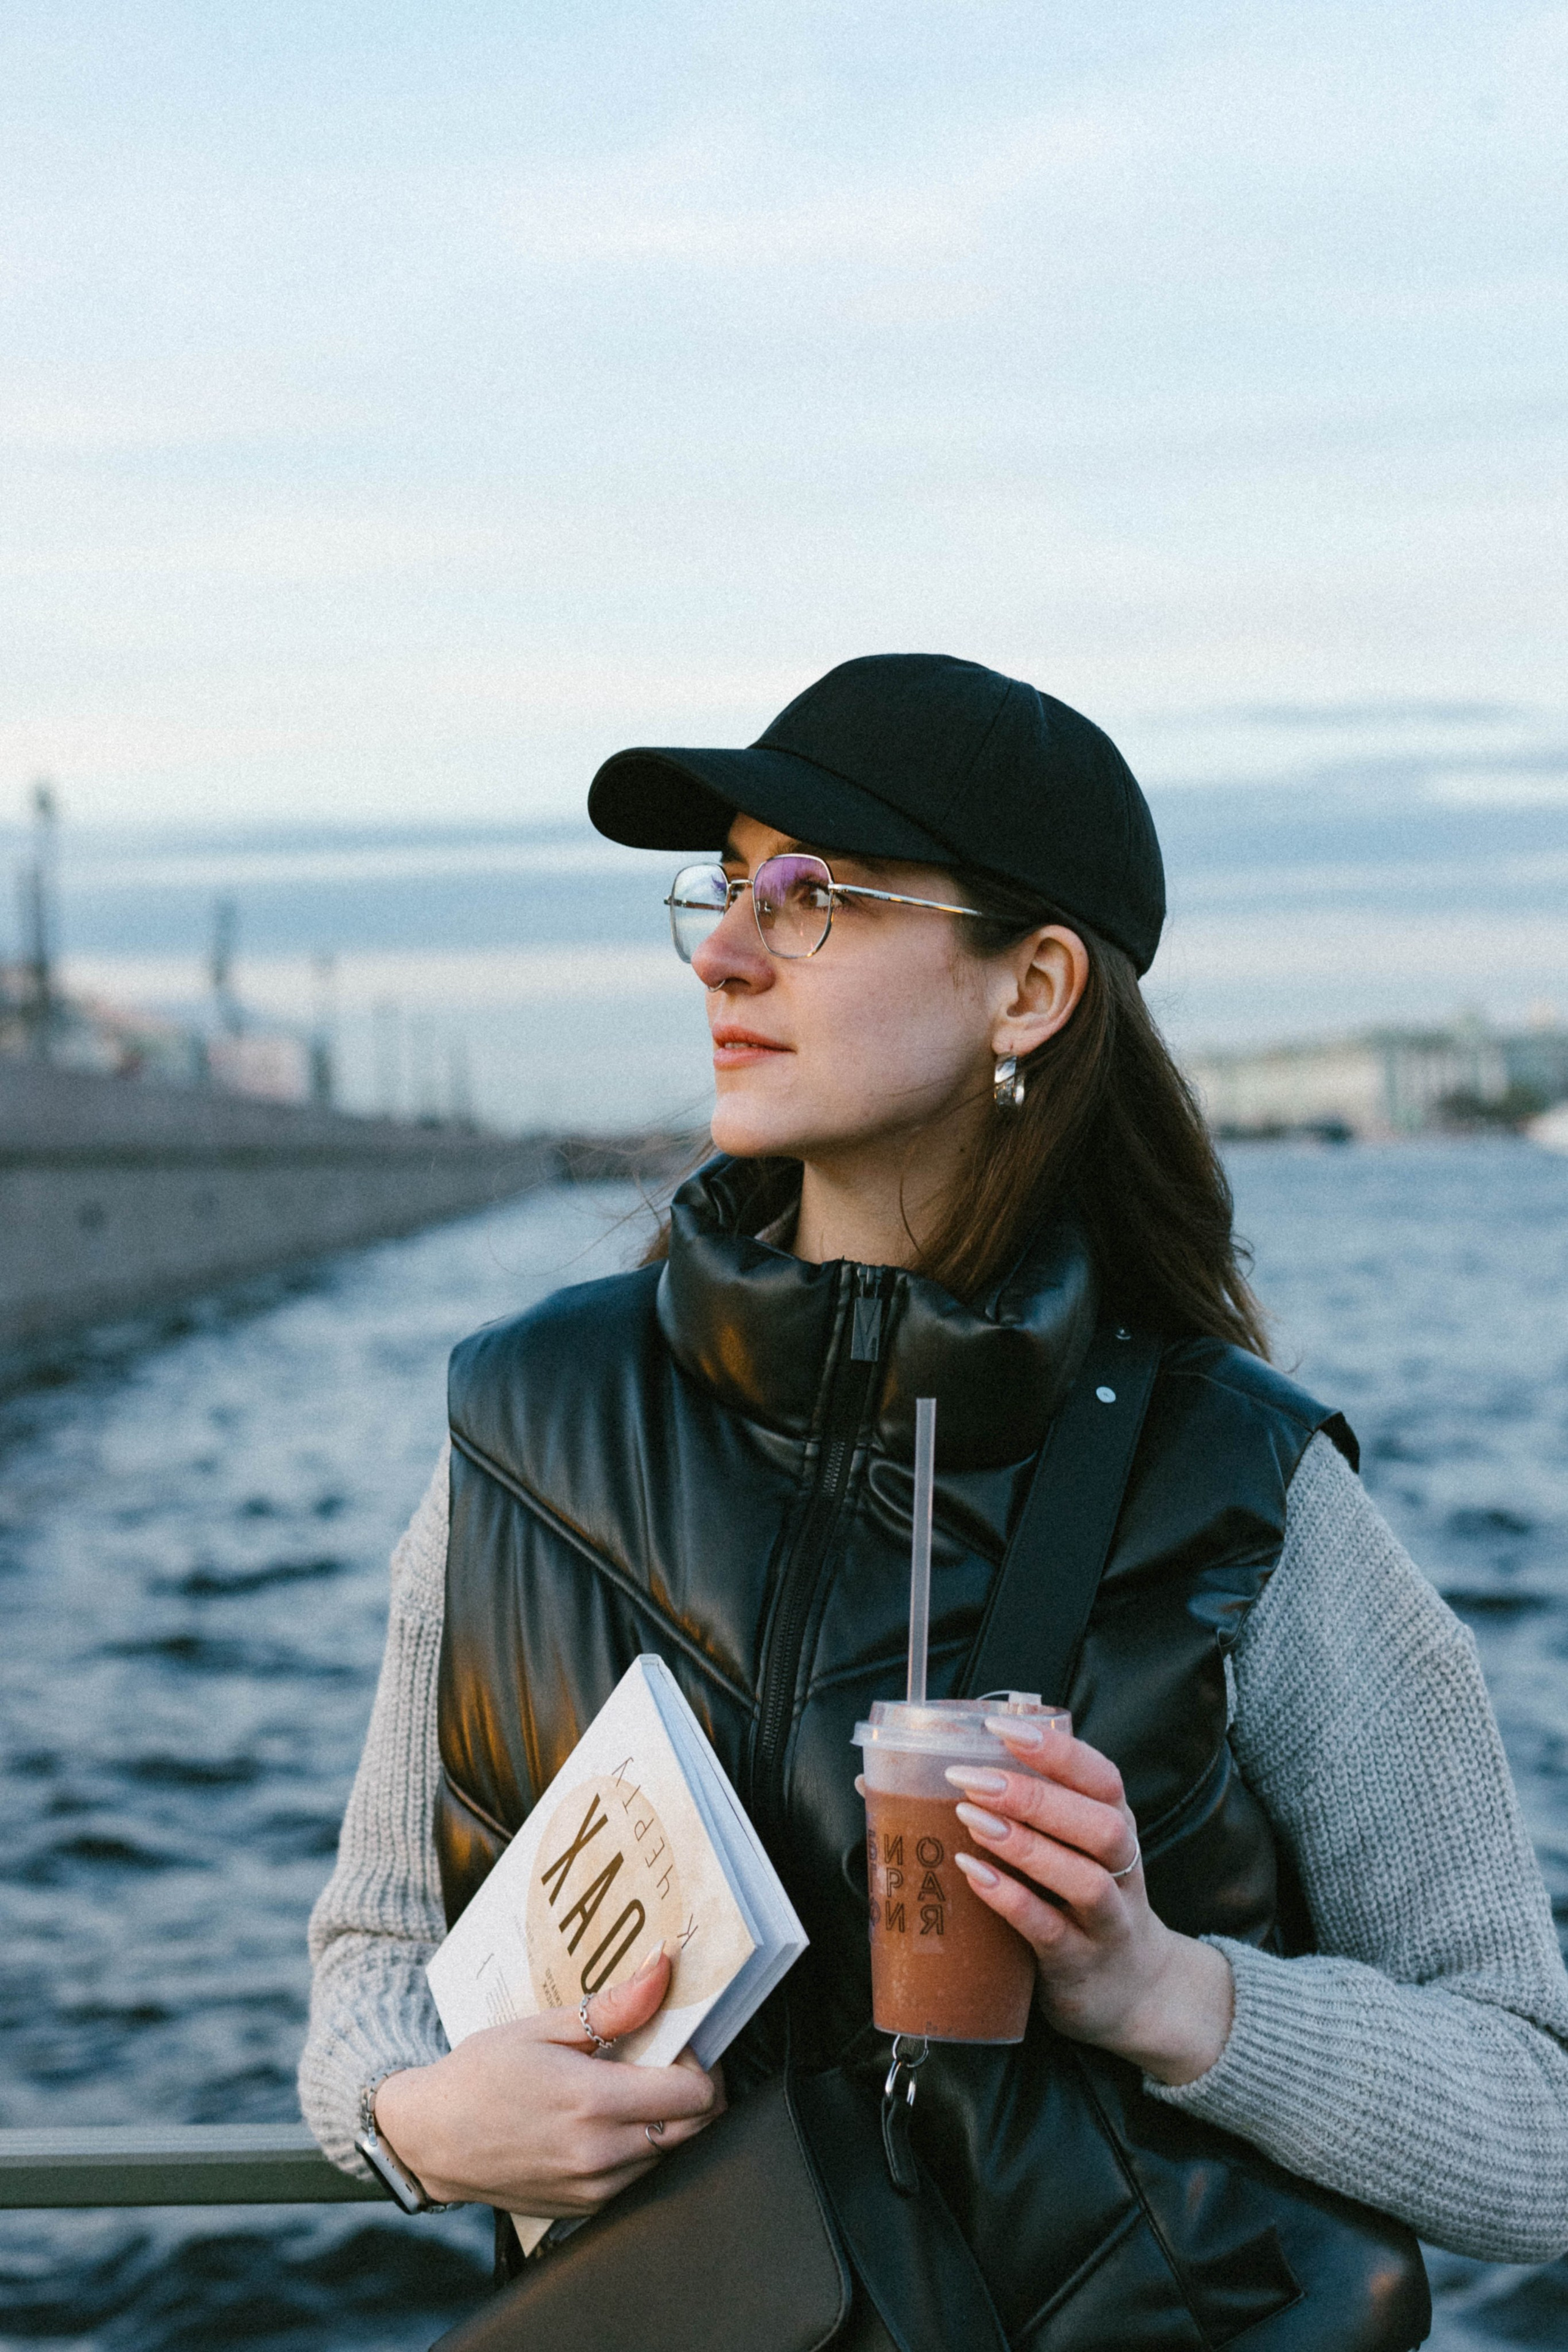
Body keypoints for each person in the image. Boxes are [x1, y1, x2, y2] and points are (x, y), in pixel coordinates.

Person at [301, 655, 1568, 2348]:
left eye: (814, 896)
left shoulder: (1239, 1484)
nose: (727, 953)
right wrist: (415, 2122)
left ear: (1030, 985)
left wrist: (1167, 1994)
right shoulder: (522, 1423)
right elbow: (374, 1956)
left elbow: (1536, 2123)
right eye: (726, 890)